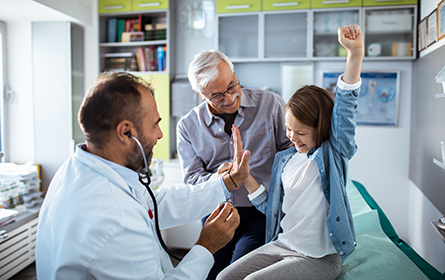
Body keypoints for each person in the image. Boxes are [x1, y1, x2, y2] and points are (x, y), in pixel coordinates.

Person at [35, 72, 252, 280]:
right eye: (155, 124)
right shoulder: (114, 220)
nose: (160, 134)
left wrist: (227, 182)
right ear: (126, 132)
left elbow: (153, 205)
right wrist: (207, 246)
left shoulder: (80, 169)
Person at [216, 24, 364, 280]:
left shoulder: (332, 154)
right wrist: (244, 175)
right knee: (223, 278)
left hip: (317, 258)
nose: (292, 138)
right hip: (282, 244)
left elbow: (345, 109)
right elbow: (271, 207)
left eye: (301, 133)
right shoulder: (286, 160)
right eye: (288, 129)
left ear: (322, 128)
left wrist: (355, 54)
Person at [177, 49, 291, 279]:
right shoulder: (187, 127)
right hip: (216, 214)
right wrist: (218, 178)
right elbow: (191, 180)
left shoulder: (270, 104)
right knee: (209, 274)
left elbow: (292, 153)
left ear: (235, 74)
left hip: (262, 212)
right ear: (201, 94)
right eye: (217, 95)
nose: (229, 99)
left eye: (231, 86)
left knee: (237, 274)